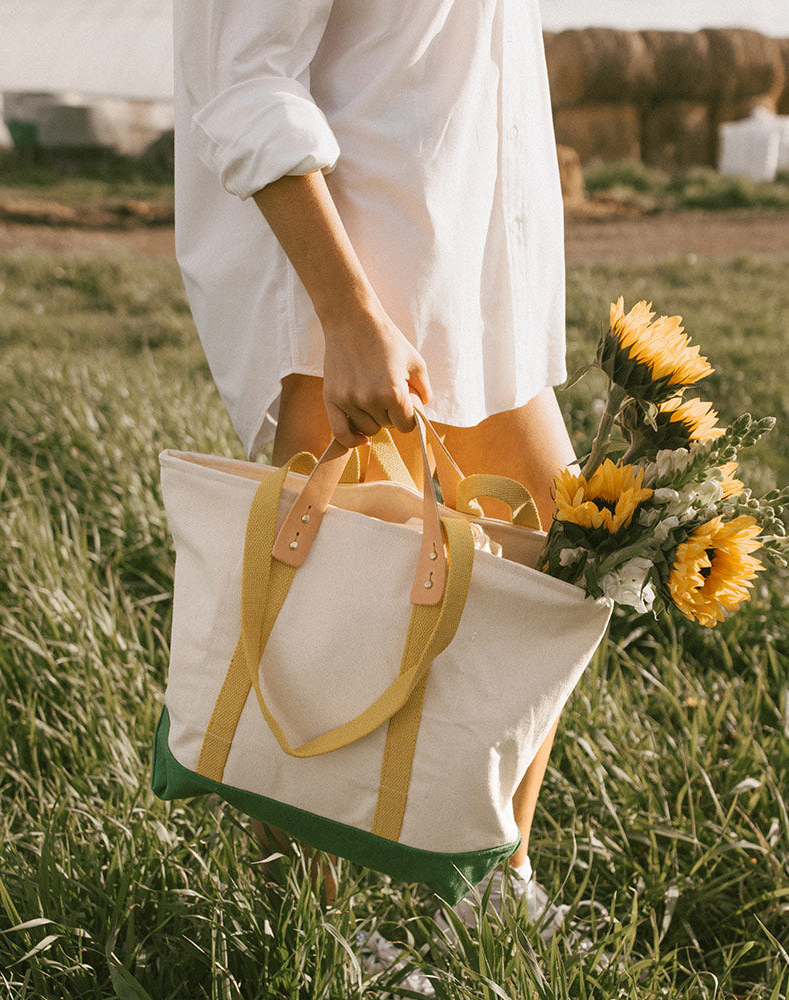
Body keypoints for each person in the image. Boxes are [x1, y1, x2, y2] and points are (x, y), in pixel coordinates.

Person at [173, 0, 576, 929]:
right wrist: (349, 315)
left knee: (558, 560)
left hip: (473, 271)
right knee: (321, 614)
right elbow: (240, 73)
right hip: (351, 283)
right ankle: (316, 934)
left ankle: (486, 886)